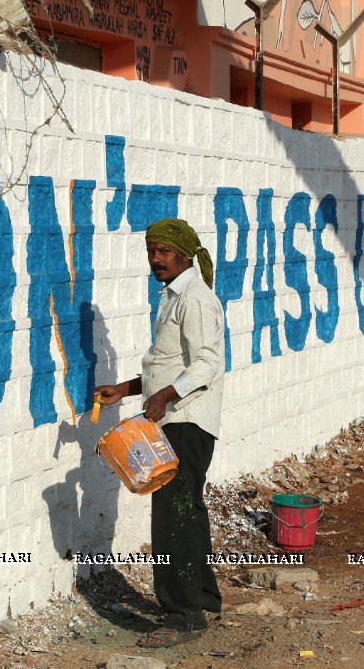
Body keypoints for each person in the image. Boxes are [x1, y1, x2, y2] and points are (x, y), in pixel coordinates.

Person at [94, 218, 225, 648]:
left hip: (186, 421)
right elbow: (169, 363)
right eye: (151, 251)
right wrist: (128, 390)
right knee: (187, 513)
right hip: (177, 417)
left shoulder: (196, 299)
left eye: (164, 252)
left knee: (174, 519)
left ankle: (183, 617)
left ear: (185, 255)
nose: (155, 259)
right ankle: (201, 598)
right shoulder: (174, 297)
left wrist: (165, 396)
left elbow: (207, 363)